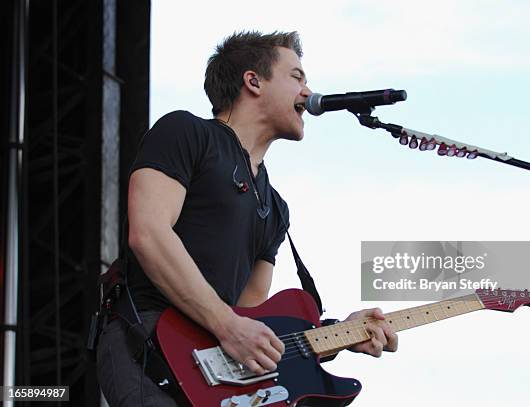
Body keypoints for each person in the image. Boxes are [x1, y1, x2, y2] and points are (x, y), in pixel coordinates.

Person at [96, 30, 398, 406]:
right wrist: (227, 325)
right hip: (148, 344)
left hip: (212, 366)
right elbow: (149, 234)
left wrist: (339, 332)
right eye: (296, 77)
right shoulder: (185, 132)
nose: (307, 92)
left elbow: (255, 316)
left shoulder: (275, 206)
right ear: (253, 81)